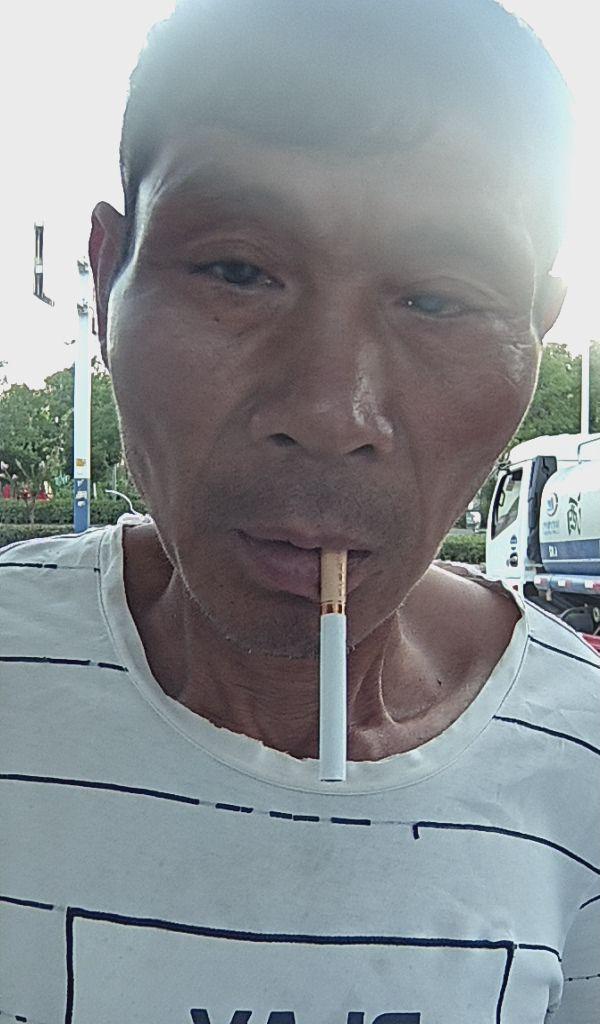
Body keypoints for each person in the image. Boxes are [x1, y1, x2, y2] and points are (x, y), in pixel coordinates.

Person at [2, 2, 599, 1021]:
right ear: (105, 281)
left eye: (438, 300)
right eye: (237, 271)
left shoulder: (579, 758)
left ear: (533, 336)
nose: (331, 413)